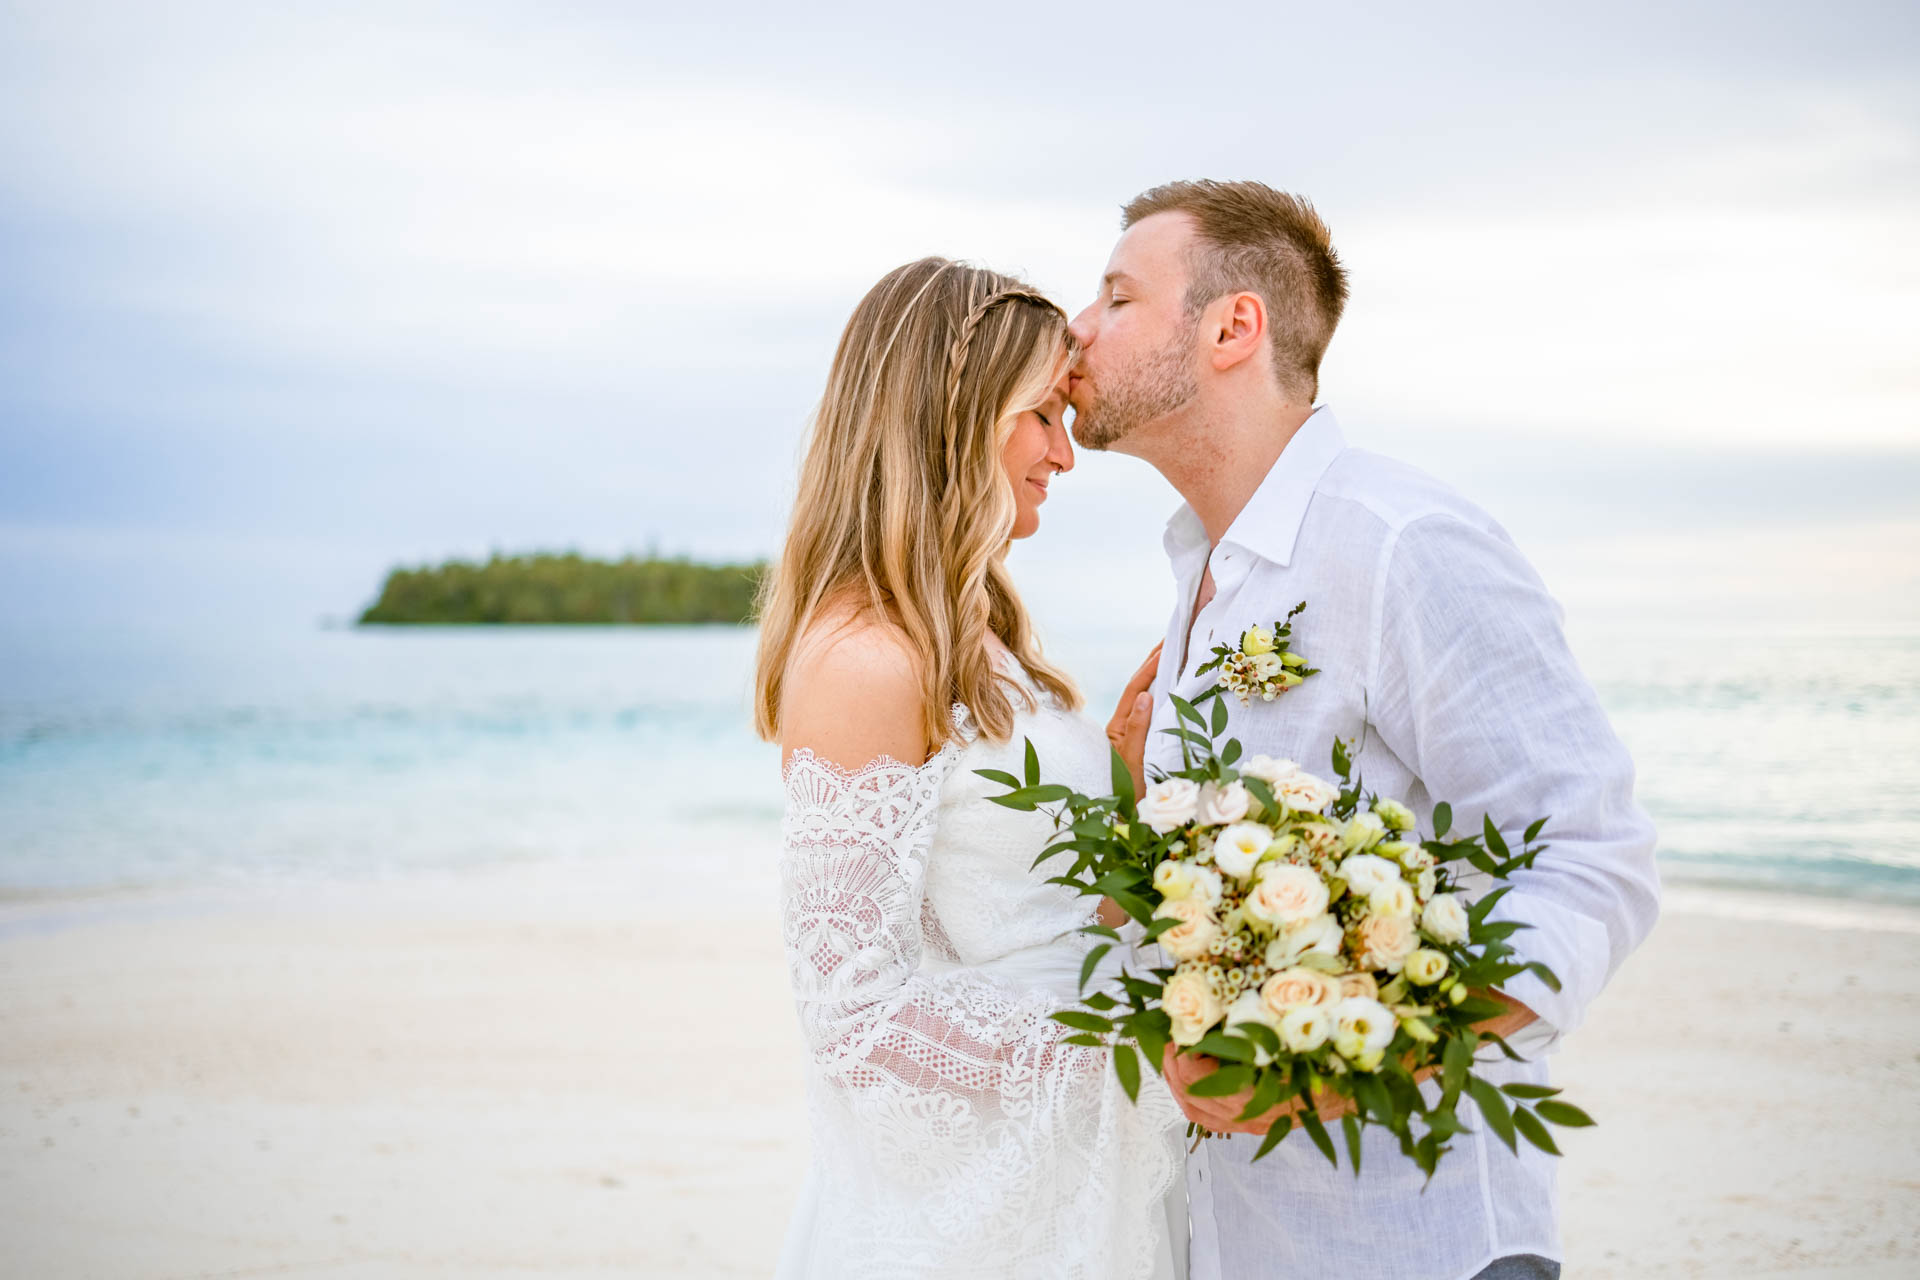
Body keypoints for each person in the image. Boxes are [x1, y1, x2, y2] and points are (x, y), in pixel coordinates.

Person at [1065, 180, 1661, 1280]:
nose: (1075, 328)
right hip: (1232, 1237)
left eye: (1114, 296)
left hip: (1413, 1236)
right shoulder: (1203, 566)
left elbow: (1590, 857)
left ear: (1232, 325)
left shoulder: (1399, 543)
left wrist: (1320, 1065)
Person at [753, 257, 1189, 1279]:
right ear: (958, 416)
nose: (1065, 454)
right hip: (976, 1226)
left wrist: (1122, 781)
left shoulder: (980, 636)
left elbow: (1037, 913)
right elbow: (854, 1017)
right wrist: (1133, 1048)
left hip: (1079, 1184)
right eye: (1041, 415)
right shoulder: (866, 658)